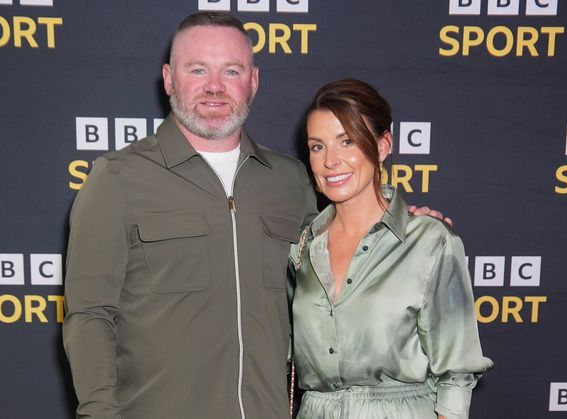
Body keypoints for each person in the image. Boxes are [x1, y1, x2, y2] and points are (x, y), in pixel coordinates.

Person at [63, 12, 450, 419]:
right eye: (198, 69)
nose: (215, 86)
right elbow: (89, 316)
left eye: (231, 71)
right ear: (169, 78)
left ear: (253, 81)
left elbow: (347, 257)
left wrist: (400, 227)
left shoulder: (292, 180)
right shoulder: (118, 179)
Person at [290, 79, 493, 419]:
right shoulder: (301, 249)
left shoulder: (428, 241)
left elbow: (456, 375)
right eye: (317, 146)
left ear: (383, 146)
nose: (330, 160)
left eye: (347, 141)